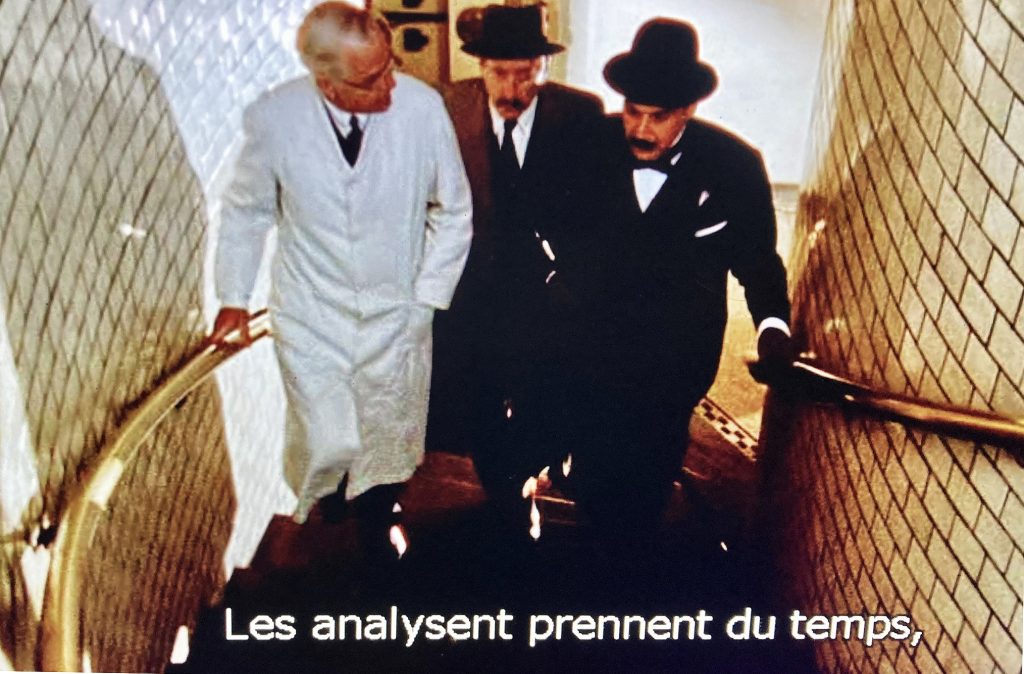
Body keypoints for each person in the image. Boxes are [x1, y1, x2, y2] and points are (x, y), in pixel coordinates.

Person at [208, 3, 472, 564]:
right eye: (372, 79)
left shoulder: (422, 109)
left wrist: (426, 298)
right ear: (326, 83)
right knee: (327, 439)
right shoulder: (275, 117)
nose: (390, 84)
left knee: (388, 438)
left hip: (396, 310)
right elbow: (247, 211)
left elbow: (453, 210)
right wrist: (233, 298)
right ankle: (327, 521)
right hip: (312, 311)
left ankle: (377, 526)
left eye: (390, 66)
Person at [568, 18, 794, 541]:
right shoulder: (588, 146)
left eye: (659, 117)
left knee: (650, 463)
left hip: (675, 352)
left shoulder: (735, 165)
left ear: (689, 109)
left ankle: (630, 555)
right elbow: (549, 224)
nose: (641, 130)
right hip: (590, 342)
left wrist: (772, 325)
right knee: (594, 461)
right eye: (633, 111)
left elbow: (757, 259)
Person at [427, 4, 604, 526]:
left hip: (546, 293)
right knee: (477, 396)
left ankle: (538, 468)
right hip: (469, 290)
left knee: (545, 394)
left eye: (525, 73)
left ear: (544, 67)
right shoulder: (446, 108)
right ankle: (507, 493)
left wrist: (576, 281)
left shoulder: (580, 114)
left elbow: (594, 210)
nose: (511, 88)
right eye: (498, 72)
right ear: (480, 67)